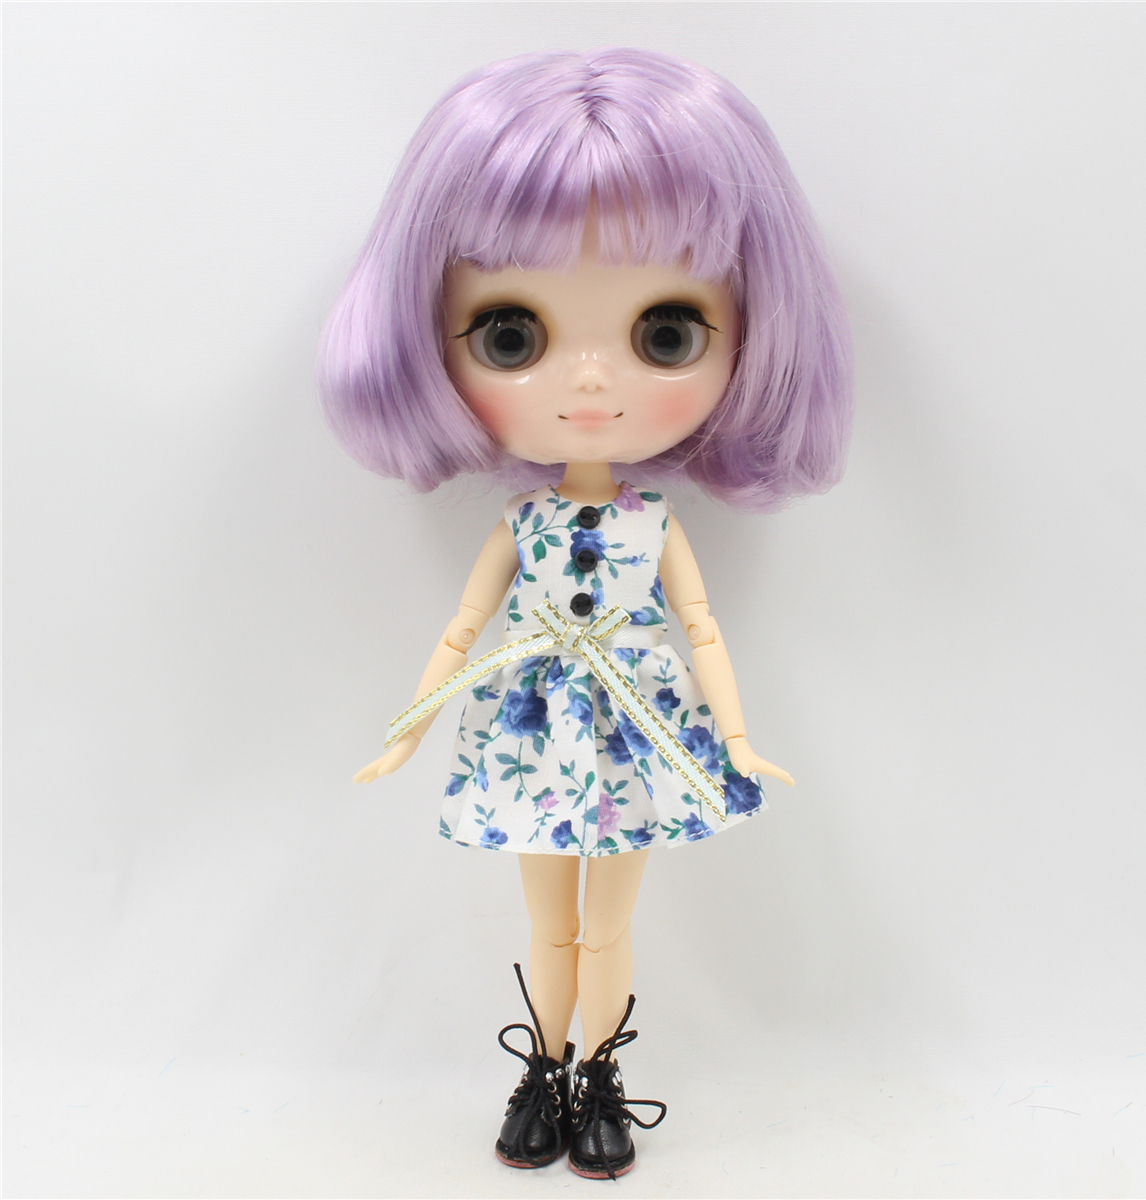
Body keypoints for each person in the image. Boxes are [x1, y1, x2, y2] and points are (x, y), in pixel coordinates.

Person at [319, 47, 852, 1179]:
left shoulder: (658, 524)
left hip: (638, 735)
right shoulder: (522, 526)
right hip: (530, 731)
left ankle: (599, 1076)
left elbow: (700, 630)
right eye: (512, 335)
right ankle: (542, 1074)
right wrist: (410, 726)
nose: (594, 382)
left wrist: (736, 735)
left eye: (667, 333)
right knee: (547, 923)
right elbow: (463, 631)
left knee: (609, 924)